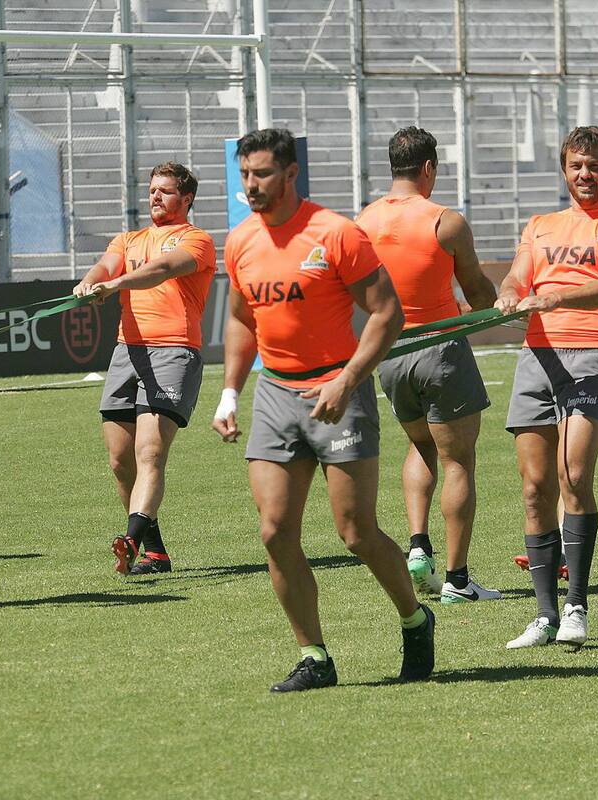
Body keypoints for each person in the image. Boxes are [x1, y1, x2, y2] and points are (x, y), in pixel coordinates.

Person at [213, 128, 434, 692]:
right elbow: (241, 319)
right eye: (244, 175)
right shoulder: (239, 242)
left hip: (340, 394)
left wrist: (347, 379)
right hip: (274, 397)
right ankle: (314, 656)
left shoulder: (337, 233)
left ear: (291, 174)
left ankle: (415, 619)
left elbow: (387, 313)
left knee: (355, 532)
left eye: (261, 174)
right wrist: (230, 392)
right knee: (273, 532)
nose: (251, 186)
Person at [498, 126, 598, 650]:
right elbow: (517, 278)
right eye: (576, 165)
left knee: (574, 474)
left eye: (595, 166)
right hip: (536, 359)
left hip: (591, 356)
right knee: (534, 488)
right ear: (564, 168)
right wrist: (510, 294)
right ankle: (542, 616)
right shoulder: (540, 224)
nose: (585, 175)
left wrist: (551, 302)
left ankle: (577, 606)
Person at [356, 127, 500, 603]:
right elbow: (478, 291)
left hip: (390, 353)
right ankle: (458, 580)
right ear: (429, 168)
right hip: (439, 347)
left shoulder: (365, 220)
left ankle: (418, 546)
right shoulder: (445, 221)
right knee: (459, 460)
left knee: (420, 446)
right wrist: (486, 310)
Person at [72, 162, 217, 576]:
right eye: (152, 190)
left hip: (173, 352)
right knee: (121, 461)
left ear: (185, 199)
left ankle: (131, 539)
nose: (155, 196)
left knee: (150, 452)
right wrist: (90, 283)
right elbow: (105, 266)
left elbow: (162, 270)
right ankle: (155, 553)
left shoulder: (197, 240)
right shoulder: (129, 238)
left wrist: (115, 285)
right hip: (126, 353)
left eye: (165, 191)